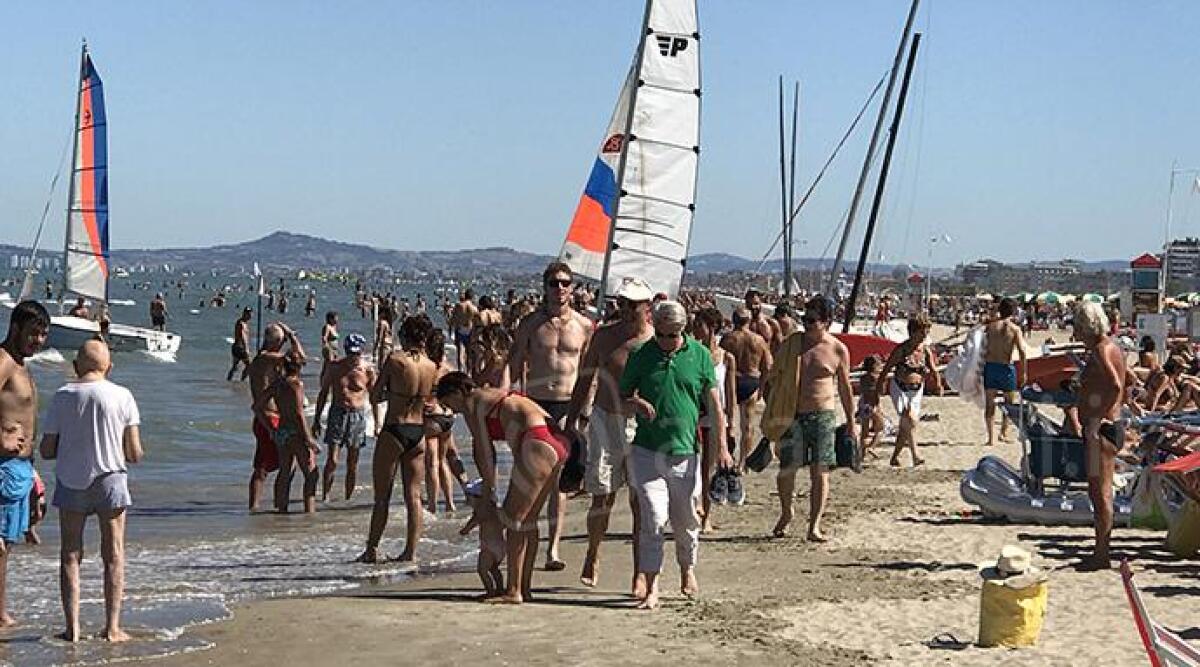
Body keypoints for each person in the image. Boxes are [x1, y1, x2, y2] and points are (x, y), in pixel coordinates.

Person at [620, 301, 732, 610]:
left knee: (684, 519)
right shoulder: (642, 355)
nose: (669, 341)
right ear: (655, 328)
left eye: (675, 335)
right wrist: (637, 404)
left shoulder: (699, 355)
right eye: (664, 335)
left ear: (683, 330)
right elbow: (621, 398)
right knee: (654, 517)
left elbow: (715, 406)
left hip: (684, 451)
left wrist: (722, 446)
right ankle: (652, 587)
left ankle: (687, 568)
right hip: (646, 450)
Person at [39, 339, 143, 642]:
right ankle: (112, 627)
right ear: (109, 367)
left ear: (75, 367)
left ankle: (72, 629)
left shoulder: (62, 395)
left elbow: (47, 449)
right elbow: (134, 453)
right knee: (113, 554)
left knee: (70, 554)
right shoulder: (123, 395)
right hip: (110, 478)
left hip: (71, 480)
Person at [435, 371, 569, 603]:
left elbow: (485, 452)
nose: (452, 411)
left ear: (458, 392)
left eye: (449, 404)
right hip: (555, 439)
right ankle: (523, 588)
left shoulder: (472, 403)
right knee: (528, 522)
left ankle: (514, 590)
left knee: (513, 519)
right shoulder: (491, 393)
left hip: (537, 441)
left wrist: (488, 491)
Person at [564, 276, 653, 594]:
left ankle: (640, 571)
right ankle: (593, 552)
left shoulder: (657, 340)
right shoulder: (603, 338)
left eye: (633, 305)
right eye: (622, 303)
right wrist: (572, 423)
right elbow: (584, 382)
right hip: (606, 421)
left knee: (641, 501)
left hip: (643, 426)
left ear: (648, 306)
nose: (627, 310)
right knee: (602, 496)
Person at [508, 261, 593, 571]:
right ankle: (525, 539)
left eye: (565, 283)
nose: (560, 288)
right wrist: (506, 398)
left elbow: (588, 371)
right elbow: (515, 363)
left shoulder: (583, 325)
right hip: (536, 405)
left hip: (568, 404)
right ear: (544, 287)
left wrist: (585, 408)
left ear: (572, 288)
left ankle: (553, 548)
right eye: (554, 283)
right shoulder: (530, 324)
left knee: (559, 481)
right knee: (532, 477)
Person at [770, 296, 856, 542]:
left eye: (811, 321)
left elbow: (845, 387)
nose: (806, 325)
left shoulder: (837, 349)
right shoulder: (792, 344)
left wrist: (851, 421)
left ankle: (814, 525)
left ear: (826, 322)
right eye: (804, 319)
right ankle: (787, 512)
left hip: (823, 414)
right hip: (792, 413)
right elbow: (775, 375)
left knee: (821, 471)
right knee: (787, 469)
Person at [359, 315, 438, 563]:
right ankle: (410, 552)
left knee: (382, 497)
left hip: (395, 428)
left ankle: (372, 549)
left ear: (404, 336)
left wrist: (388, 393)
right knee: (414, 497)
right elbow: (429, 401)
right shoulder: (431, 365)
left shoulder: (395, 360)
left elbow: (374, 396)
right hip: (418, 433)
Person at [0, 301, 49, 627]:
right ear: (15, 328)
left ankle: (0, 609)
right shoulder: (3, 361)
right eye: (33, 333)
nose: (39, 340)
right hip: (3, 466)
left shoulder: (21, 364)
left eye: (43, 334)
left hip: (19, 467)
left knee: (6, 545)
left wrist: (32, 472)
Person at [1075, 301, 1125, 570]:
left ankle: (1101, 554)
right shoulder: (1114, 347)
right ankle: (1099, 550)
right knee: (1101, 492)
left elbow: (1116, 386)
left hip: (1102, 431)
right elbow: (1123, 384)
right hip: (1108, 428)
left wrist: (1098, 419)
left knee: (1100, 493)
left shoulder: (1099, 350)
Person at [245, 323, 306, 511]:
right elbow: (300, 359)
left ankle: (271, 505)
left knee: (274, 465)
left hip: (267, 417)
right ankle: (270, 507)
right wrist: (292, 335)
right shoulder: (267, 358)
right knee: (269, 466)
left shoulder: (265, 359)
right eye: (282, 341)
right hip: (268, 417)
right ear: (278, 342)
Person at [313, 334, 378, 502]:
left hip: (357, 416)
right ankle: (325, 496)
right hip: (337, 413)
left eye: (356, 353)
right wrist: (316, 419)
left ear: (361, 352)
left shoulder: (367, 370)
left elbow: (374, 398)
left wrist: (378, 423)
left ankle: (348, 499)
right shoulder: (335, 368)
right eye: (350, 353)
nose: (352, 357)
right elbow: (323, 393)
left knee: (352, 463)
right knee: (332, 460)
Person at [689, 307, 738, 529]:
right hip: (693, 417)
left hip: (716, 418)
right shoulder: (691, 353)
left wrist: (731, 425)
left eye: (699, 324)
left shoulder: (726, 357)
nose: (695, 328)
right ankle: (694, 506)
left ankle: (706, 516)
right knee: (691, 465)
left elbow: (730, 393)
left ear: (712, 327)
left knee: (709, 468)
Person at [255, 352, 319, 513]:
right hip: (296, 433)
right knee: (311, 474)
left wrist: (271, 429)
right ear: (298, 367)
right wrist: (309, 438)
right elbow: (299, 413)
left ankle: (281, 510)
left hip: (282, 431)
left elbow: (257, 407)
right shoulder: (296, 384)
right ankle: (309, 512)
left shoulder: (277, 384)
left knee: (285, 472)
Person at [879, 313, 940, 467]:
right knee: (910, 419)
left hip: (917, 390)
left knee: (906, 424)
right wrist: (880, 385)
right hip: (900, 387)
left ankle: (894, 457)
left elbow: (933, 368)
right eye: (922, 333)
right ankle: (915, 455)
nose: (924, 337)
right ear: (913, 332)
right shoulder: (902, 349)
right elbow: (887, 368)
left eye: (926, 333)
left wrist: (938, 383)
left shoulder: (925, 350)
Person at [720, 307, 772, 472]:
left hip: (732, 380)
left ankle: (727, 457)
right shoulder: (758, 340)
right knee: (748, 425)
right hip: (751, 380)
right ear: (748, 321)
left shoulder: (727, 339)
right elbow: (768, 366)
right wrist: (762, 386)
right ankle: (742, 463)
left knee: (728, 421)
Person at [424, 329, 463, 514]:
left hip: (431, 418)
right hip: (447, 417)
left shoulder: (426, 367)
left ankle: (432, 505)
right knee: (443, 461)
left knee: (432, 462)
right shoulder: (448, 368)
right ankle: (449, 502)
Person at [982, 297, 1027, 447]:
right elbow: (1022, 352)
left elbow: (981, 347)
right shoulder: (1015, 329)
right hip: (1006, 367)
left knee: (990, 403)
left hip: (990, 366)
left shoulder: (990, 327)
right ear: (1014, 311)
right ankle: (1003, 432)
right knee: (1009, 403)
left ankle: (990, 438)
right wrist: (1024, 372)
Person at [450, 289, 479, 369]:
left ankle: (460, 370)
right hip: (469, 330)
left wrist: (451, 327)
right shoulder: (474, 308)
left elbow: (453, 318)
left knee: (460, 353)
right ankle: (468, 372)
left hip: (460, 329)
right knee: (469, 353)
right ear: (472, 297)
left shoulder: (459, 305)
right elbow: (478, 321)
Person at [226, 307, 253, 382]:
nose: (250, 316)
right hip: (240, 347)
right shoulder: (241, 324)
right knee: (249, 365)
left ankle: (229, 380)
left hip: (236, 347)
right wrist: (246, 349)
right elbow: (243, 336)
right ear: (244, 314)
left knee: (235, 367)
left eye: (250, 314)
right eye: (248, 314)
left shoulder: (243, 323)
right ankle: (242, 380)